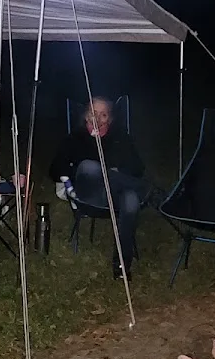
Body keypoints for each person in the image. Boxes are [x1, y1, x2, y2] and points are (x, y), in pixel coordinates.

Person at [48, 97, 164, 281]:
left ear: (109, 119)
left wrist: (117, 172)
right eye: (93, 113)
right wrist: (74, 169)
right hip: (87, 194)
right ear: (86, 116)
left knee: (131, 200)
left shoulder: (120, 137)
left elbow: (137, 168)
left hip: (113, 194)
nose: (97, 118)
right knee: (89, 167)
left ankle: (121, 265)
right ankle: (149, 191)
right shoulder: (74, 138)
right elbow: (54, 170)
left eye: (103, 114)